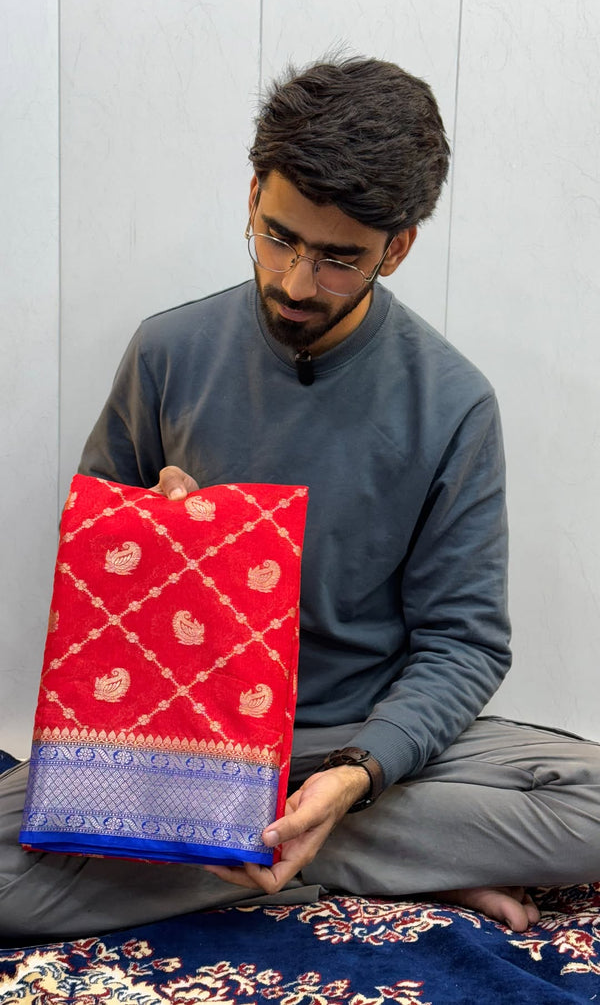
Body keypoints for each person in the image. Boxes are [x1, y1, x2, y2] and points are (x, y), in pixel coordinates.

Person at [1, 56, 599, 944]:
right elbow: (91, 579)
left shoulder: (452, 399)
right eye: (279, 236)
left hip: (365, 737)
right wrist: (158, 536)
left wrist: (357, 773)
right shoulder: (169, 351)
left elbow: (464, 643)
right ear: (252, 195)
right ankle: (380, 860)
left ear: (397, 248)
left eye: (336, 260)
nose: (292, 280)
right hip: (187, 738)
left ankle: (293, 846)